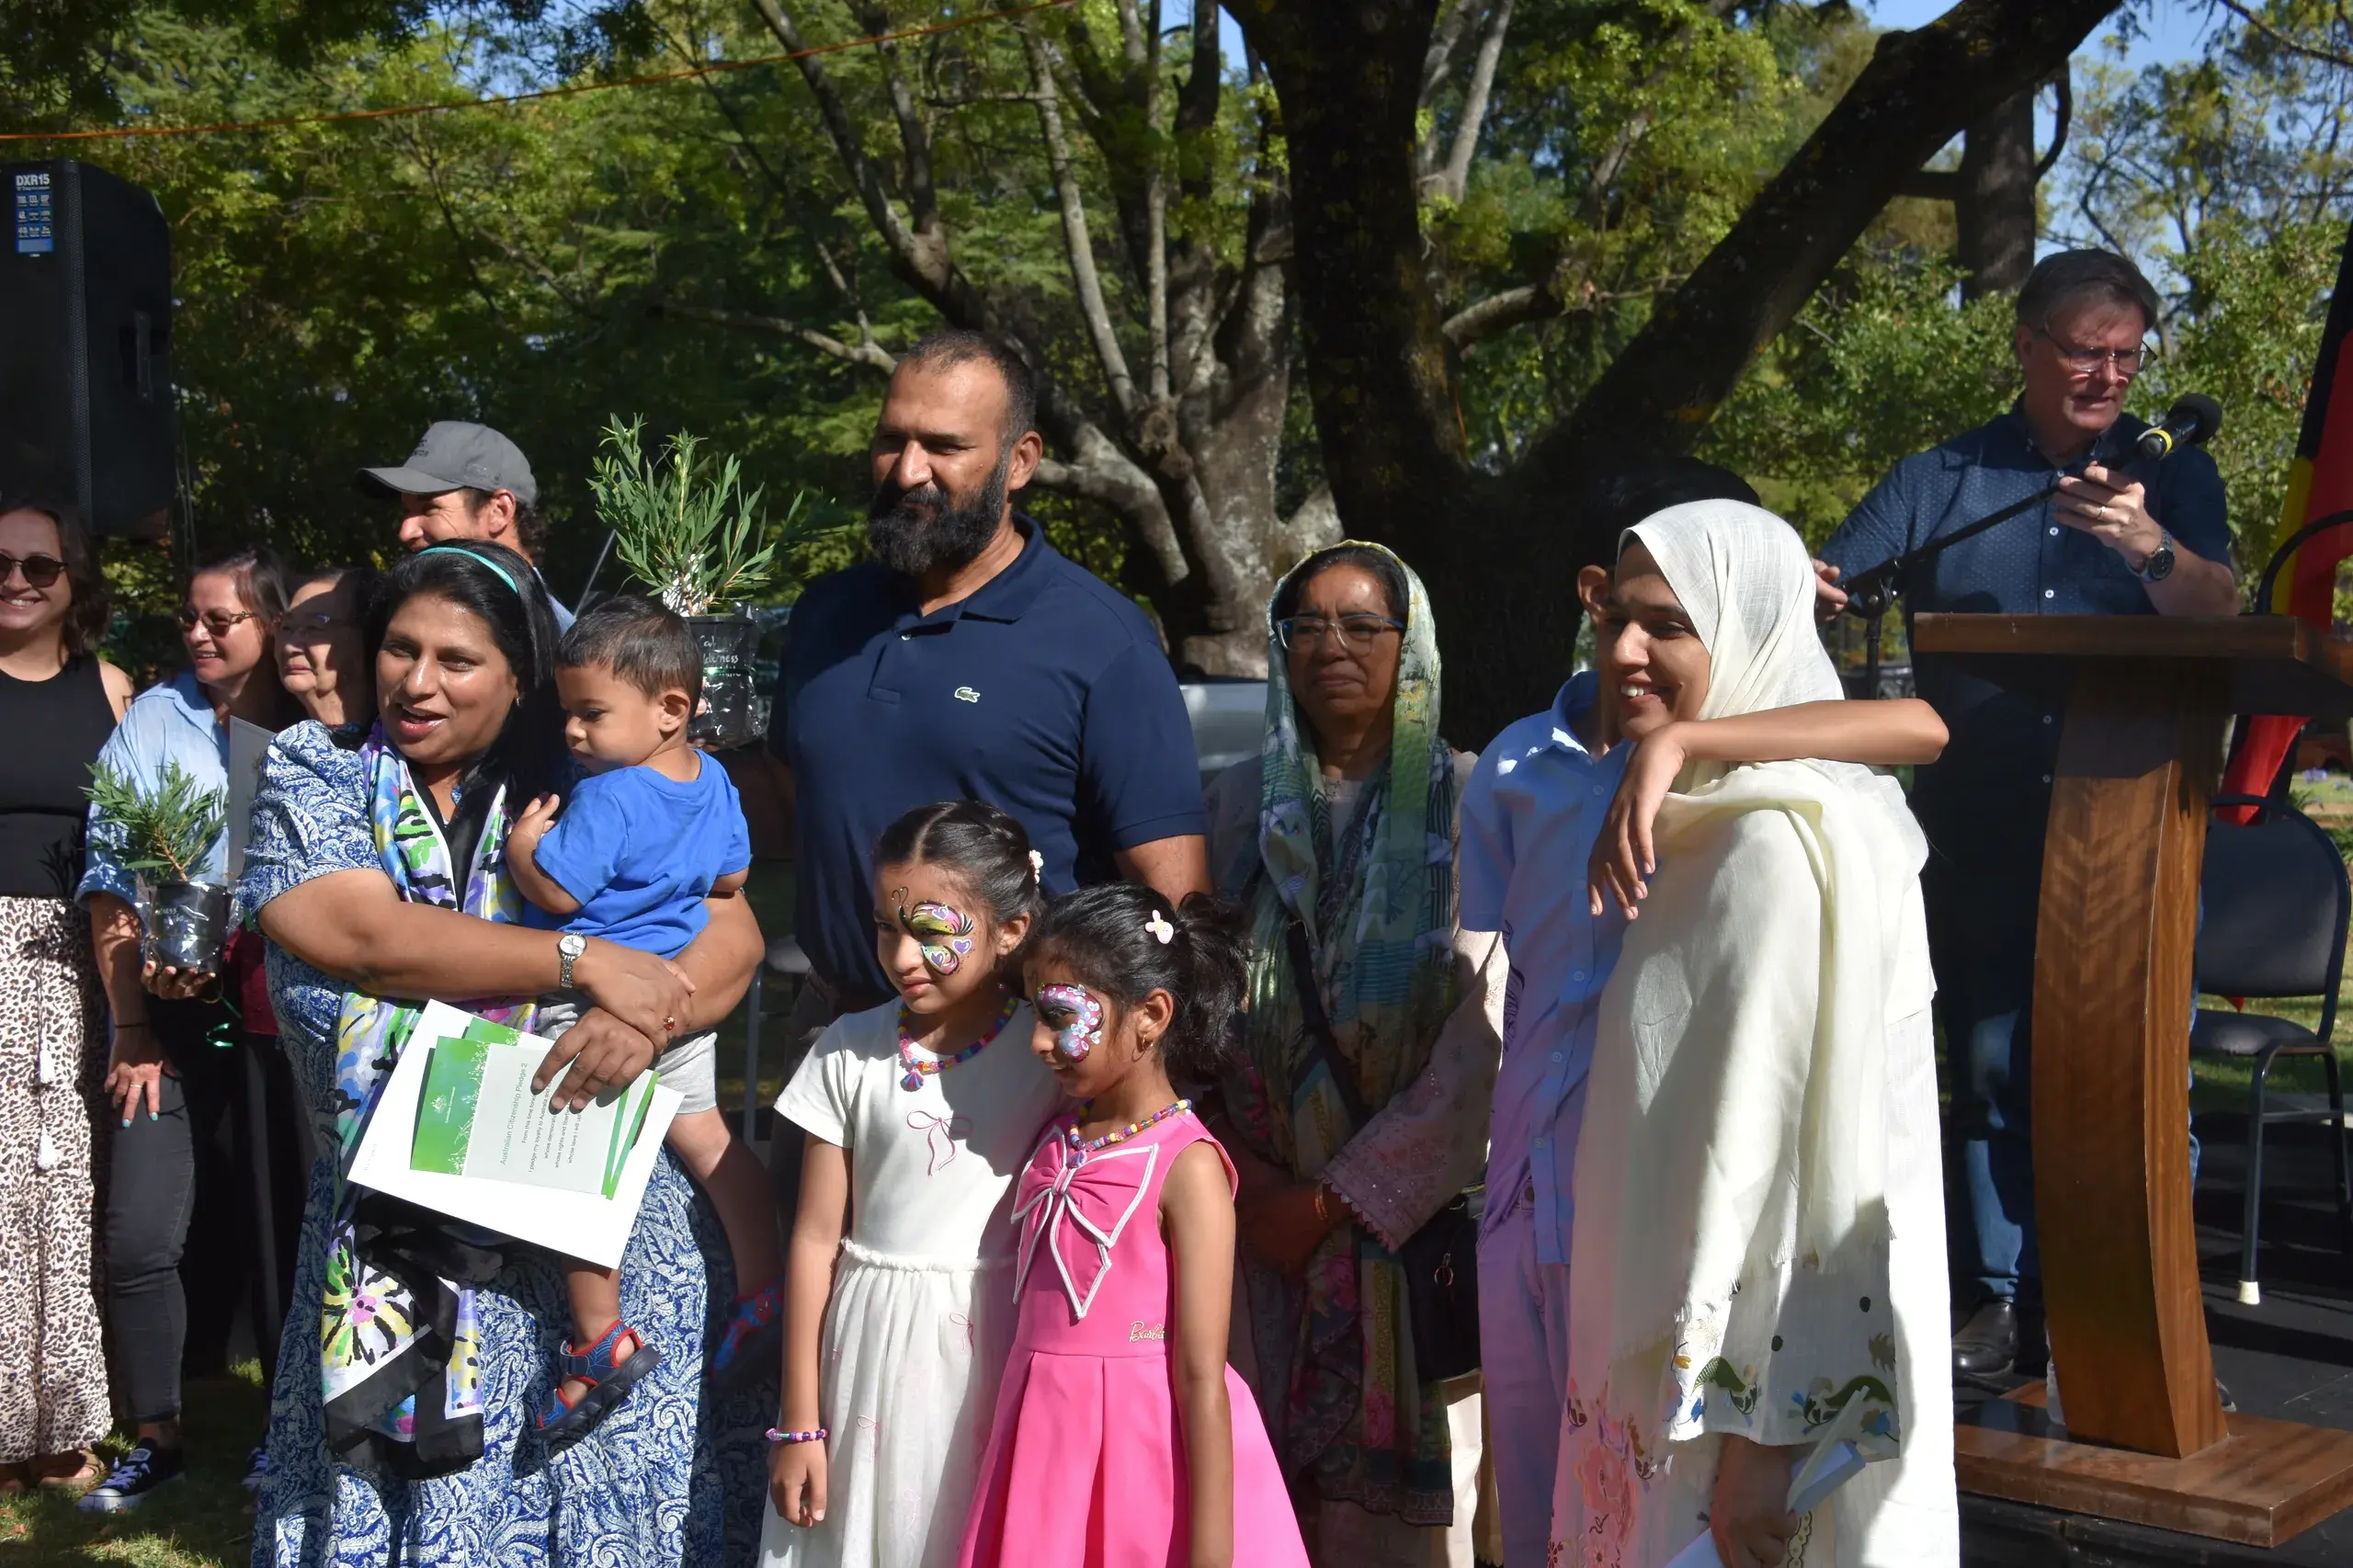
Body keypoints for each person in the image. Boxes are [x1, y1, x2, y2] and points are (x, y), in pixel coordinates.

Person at [1457, 460, 1949, 1568]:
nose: (1626, 651)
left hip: (1727, 1406)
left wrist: (1759, 1445)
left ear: (1750, 628)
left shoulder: (1771, 848)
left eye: (1670, 626)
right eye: (1616, 618)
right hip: (1648, 1355)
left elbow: (1800, 1186)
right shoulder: (1706, 819)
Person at [239, 540, 769, 1564]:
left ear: (522, 675)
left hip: (594, 1245)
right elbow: (363, 938)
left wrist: (639, 1017)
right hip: (392, 1249)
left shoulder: (586, 787)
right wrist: (582, 960)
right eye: (400, 647)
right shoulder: (319, 774)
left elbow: (734, 929)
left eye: (457, 658)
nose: (417, 680)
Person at [1813, 249, 2237, 1380]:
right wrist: (1789, 575)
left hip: (2134, 823)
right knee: (1994, 1066)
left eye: (2126, 355)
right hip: (1981, 824)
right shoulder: (1939, 478)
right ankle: (2000, 1304)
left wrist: (2145, 544)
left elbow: (2221, 605)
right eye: (2084, 350)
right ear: (2026, 345)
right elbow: (1828, 580)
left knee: (2137, 1072)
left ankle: (2138, 1305)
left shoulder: (2172, 471)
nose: (2107, 374)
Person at [728, 329, 1207, 1203]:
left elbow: (1172, 905)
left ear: (1019, 460)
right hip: (833, 1038)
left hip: (1019, 1067)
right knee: (823, 1317)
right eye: (891, 439)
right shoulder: (827, 615)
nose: (908, 470)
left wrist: (1127, 1102)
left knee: (976, 1329)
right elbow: (793, 803)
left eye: (944, 447)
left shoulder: (1100, 641)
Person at [1205, 540, 1499, 1567]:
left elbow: (1484, 1039)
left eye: (1361, 624)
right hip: (1257, 1234)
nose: (1331, 645)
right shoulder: (1230, 805)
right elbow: (1188, 1006)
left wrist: (1332, 1201)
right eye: (1307, 626)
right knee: (1255, 1498)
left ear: (1408, 643)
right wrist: (1248, 1192)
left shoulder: (1473, 804)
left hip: (1403, 1243)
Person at [957, 882, 1310, 1568]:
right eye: (1036, 1013)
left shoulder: (1190, 1168)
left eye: (1060, 1016)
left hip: (1142, 1468)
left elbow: (1203, 1376)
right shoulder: (1058, 1134)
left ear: (1150, 1015)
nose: (1035, 1041)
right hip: (1043, 1457)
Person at [505, 595, 779, 1435]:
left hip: (589, 1001)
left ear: (669, 710)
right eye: (569, 716)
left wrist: (522, 849)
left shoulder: (609, 796)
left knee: (572, 1169)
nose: (575, 736)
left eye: (591, 714)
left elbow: (559, 889)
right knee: (711, 1140)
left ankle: (598, 1340)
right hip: (678, 1005)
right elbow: (732, 879)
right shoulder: (716, 777)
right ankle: (767, 1286)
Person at [763, 800, 1059, 1568]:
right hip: (866, 1358)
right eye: (887, 927)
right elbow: (813, 1238)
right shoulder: (849, 1050)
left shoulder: (1051, 1061)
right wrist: (801, 1423)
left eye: (932, 932)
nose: (900, 957)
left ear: (1013, 930)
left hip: (997, 1353)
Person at [77, 542, 296, 1512]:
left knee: (281, 1230)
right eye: (191, 618)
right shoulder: (153, 718)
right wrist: (131, 1021)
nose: (201, 634)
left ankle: (280, 1432)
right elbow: (109, 876)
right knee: (137, 1229)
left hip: (280, 1025)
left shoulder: (313, 725)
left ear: (275, 625)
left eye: (225, 618)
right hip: (167, 1021)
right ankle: (155, 1432)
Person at [0, 497, 131, 1496]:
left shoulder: (113, 689)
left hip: (79, 962)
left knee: (63, 1192)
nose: (17, 578)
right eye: (1, 563)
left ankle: (60, 1421)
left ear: (72, 581)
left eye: (40, 565)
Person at [358, 421, 575, 629]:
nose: (405, 532)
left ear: (499, 511)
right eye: (406, 511)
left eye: (429, 509)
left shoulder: (557, 646)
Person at [277, 563, 379, 730]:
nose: (290, 647)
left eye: (314, 627)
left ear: (366, 635)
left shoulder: (391, 750)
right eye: (287, 627)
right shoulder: (274, 745)